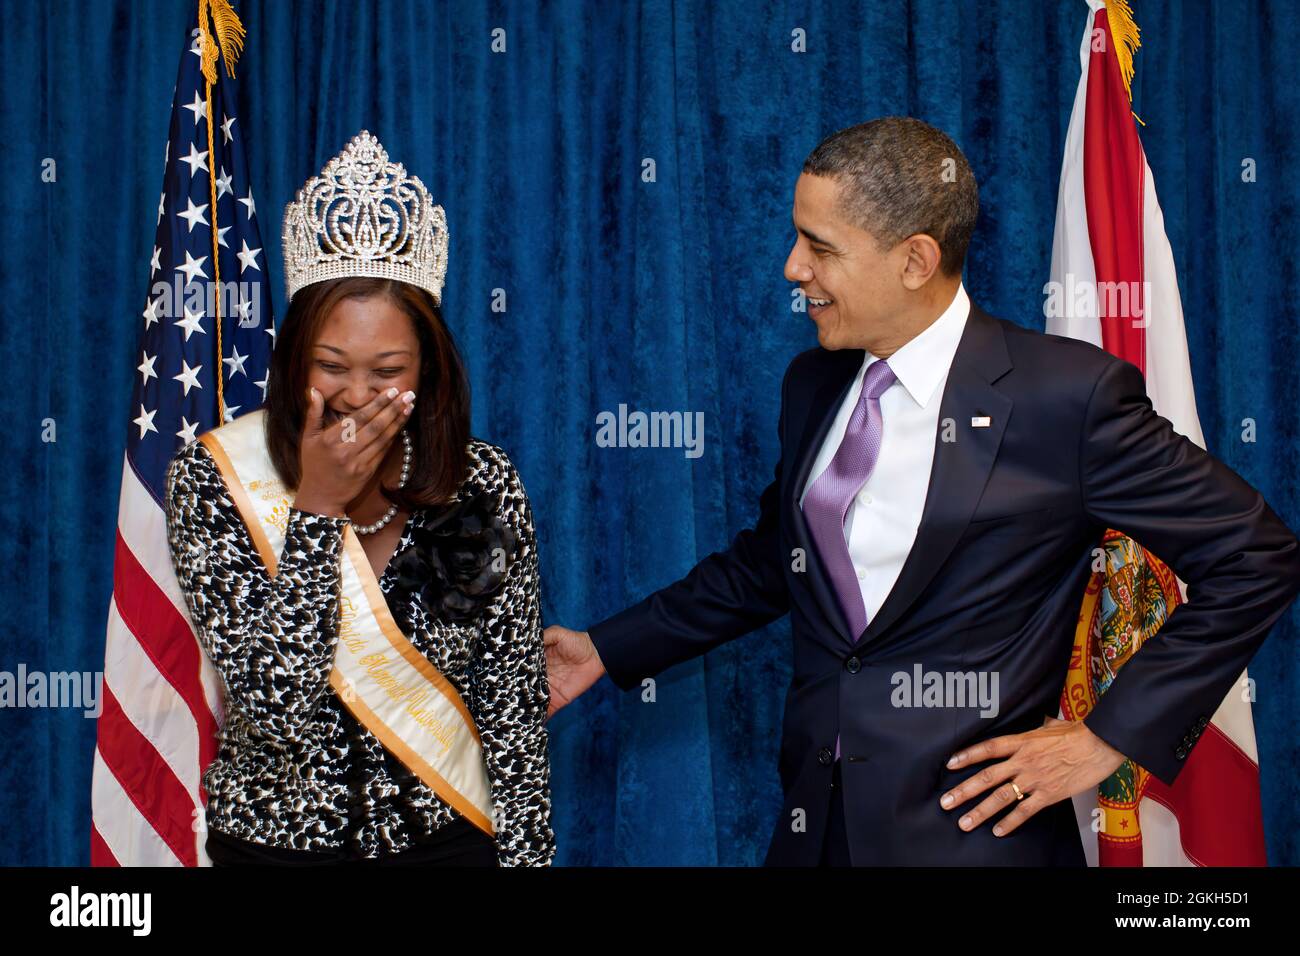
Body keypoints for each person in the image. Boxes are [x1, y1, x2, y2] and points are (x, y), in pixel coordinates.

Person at [544, 116, 1300, 866]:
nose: (791, 267)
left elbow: (1257, 557)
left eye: (820, 247)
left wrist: (1108, 735)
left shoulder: (1066, 398)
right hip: (812, 836)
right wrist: (607, 650)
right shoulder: (813, 383)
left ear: (914, 260)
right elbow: (777, 561)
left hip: (974, 844)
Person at [164, 130, 553, 866]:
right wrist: (314, 508)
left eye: (388, 370)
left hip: (447, 842)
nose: (357, 396)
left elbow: (511, 708)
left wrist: (528, 858)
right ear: (293, 358)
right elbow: (273, 708)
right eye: (331, 366)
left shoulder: (482, 483)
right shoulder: (214, 480)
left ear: (429, 367)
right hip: (276, 849)